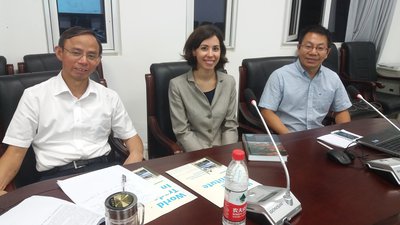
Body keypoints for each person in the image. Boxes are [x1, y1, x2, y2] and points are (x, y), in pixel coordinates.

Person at [0, 27, 144, 194]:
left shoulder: (109, 97)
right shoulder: (34, 96)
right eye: (76, 53)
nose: (83, 61)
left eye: (91, 56)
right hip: (55, 179)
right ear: (59, 52)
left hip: (104, 170)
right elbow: (15, 152)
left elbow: (132, 139)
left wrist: (131, 163)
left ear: (98, 60)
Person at [259, 24, 351, 134]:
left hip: (318, 136)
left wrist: (343, 135)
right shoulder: (280, 76)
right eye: (308, 46)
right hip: (287, 135)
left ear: (327, 53)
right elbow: (266, 111)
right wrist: (289, 136)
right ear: (298, 48)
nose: (313, 52)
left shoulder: (333, 78)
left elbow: (341, 111)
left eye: (320, 48)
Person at [168, 24, 238, 152]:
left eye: (215, 49)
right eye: (204, 48)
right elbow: (182, 131)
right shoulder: (177, 85)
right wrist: (205, 156)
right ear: (194, 51)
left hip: (222, 150)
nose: (210, 54)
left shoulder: (229, 82)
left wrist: (228, 154)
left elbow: (230, 126)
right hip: (192, 152)